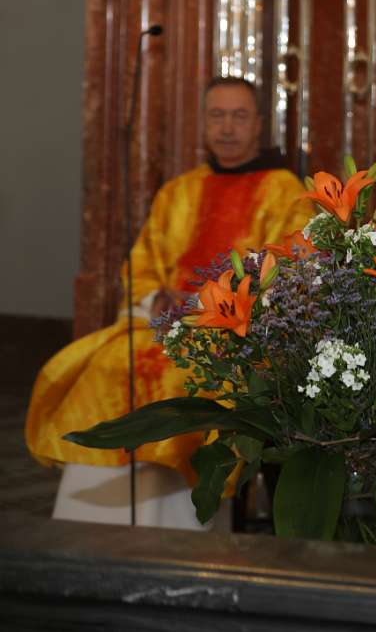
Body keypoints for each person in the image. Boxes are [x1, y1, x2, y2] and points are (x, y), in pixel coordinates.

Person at [27, 76, 311, 527]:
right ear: (203, 123)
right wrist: (159, 296)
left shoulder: (285, 192)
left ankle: (179, 526)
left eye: (239, 116)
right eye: (217, 115)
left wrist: (213, 302)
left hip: (231, 335)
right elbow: (140, 265)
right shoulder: (178, 191)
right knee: (106, 366)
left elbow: (288, 273)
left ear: (259, 124)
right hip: (161, 327)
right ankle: (93, 526)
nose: (227, 128)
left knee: (183, 377)